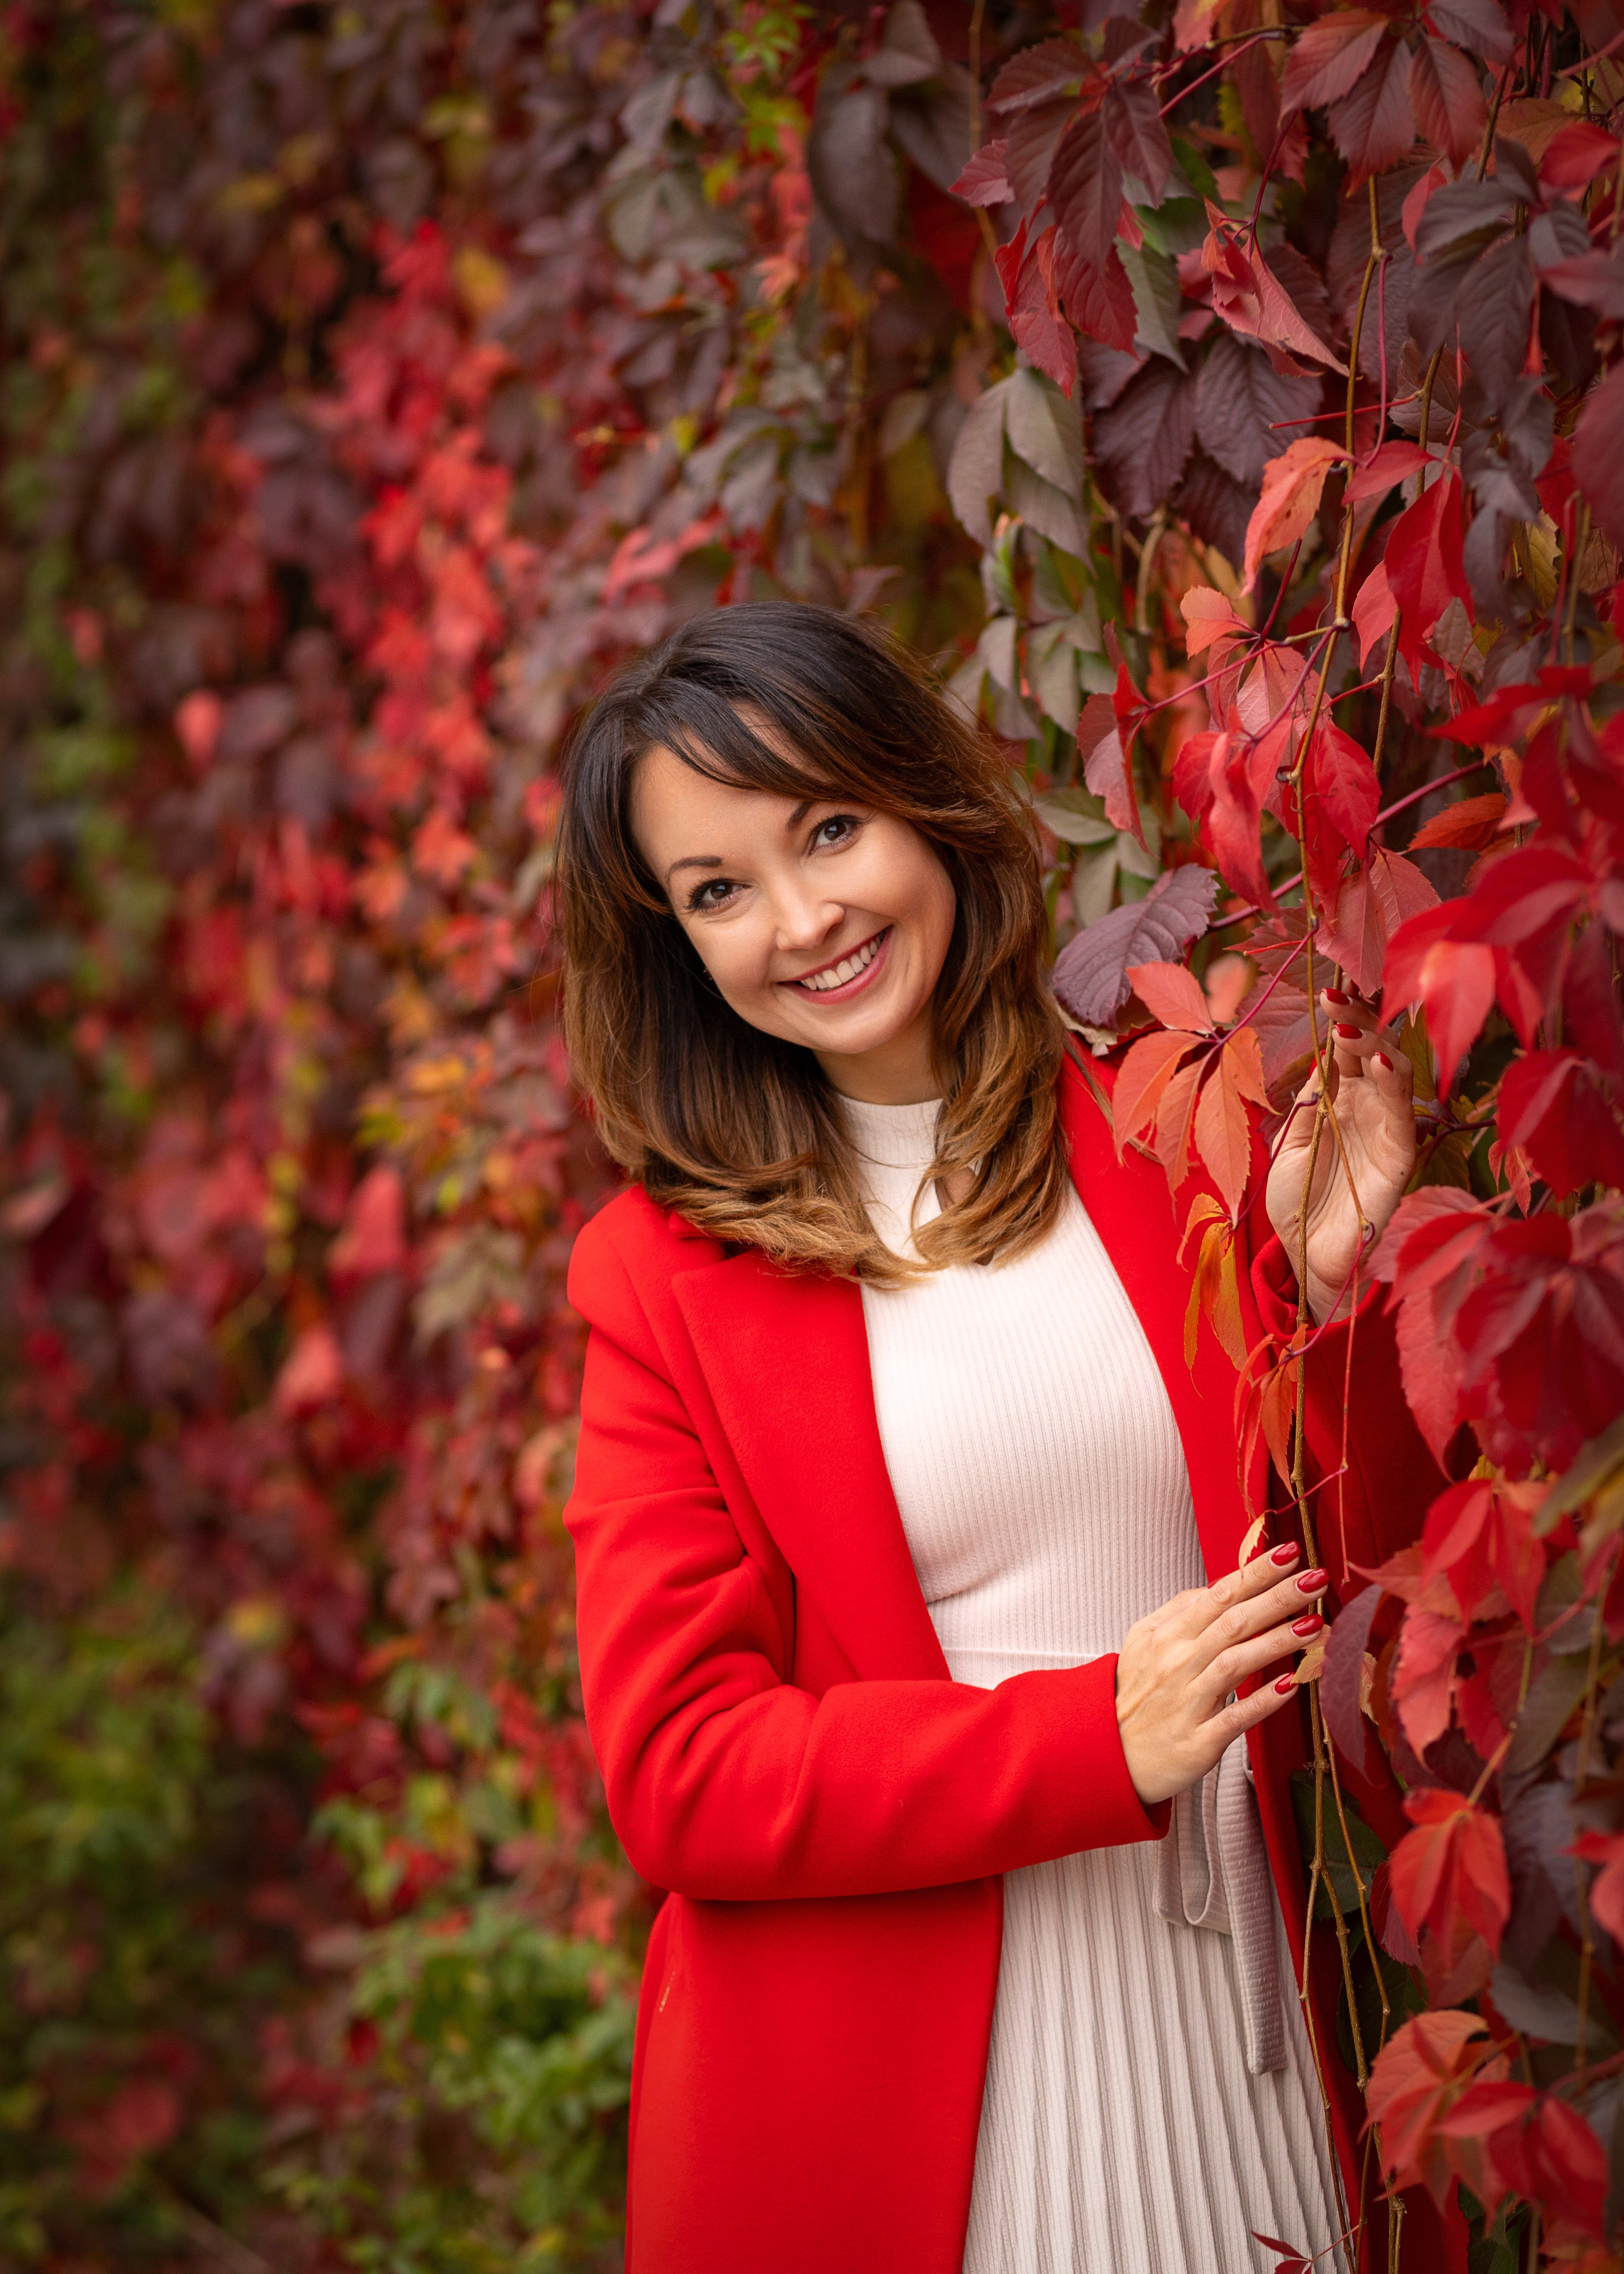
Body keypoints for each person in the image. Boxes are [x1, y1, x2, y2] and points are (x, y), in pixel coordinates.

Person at [555, 602, 1457, 2274]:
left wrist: (1339, 1300)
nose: (805, 917)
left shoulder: (1161, 1116)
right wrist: (1087, 1740)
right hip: (902, 2106)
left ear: (923, 802)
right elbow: (682, 1773)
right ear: (672, 943)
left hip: (1248, 2029)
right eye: (719, 889)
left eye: (829, 826)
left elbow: (1379, 1599)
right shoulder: (659, 1282)